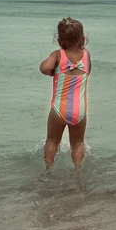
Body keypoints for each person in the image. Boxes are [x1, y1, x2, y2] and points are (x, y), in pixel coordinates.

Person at [39, 17, 91, 168]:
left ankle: (48, 168)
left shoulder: (57, 55)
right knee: (78, 143)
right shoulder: (86, 55)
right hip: (79, 110)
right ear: (82, 38)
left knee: (52, 141)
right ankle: (77, 170)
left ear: (60, 38)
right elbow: (88, 72)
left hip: (59, 109)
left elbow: (43, 68)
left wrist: (52, 71)